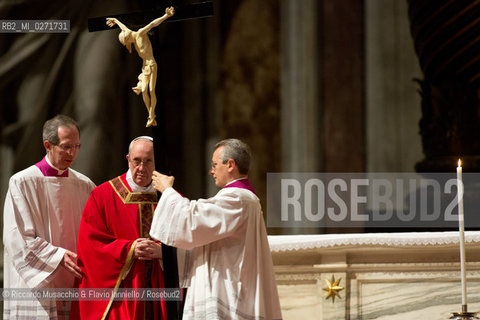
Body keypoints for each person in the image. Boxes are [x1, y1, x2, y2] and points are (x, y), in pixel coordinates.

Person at [150, 138, 283, 319]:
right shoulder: (243, 198)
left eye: (214, 164)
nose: (211, 171)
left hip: (228, 291)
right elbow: (207, 241)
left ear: (230, 165)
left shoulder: (238, 198)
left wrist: (167, 191)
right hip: (230, 285)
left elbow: (191, 220)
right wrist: (165, 253)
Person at [3, 114, 96, 319]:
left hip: (73, 281)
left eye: (76, 146)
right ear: (48, 145)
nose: (72, 153)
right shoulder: (22, 182)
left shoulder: (86, 186)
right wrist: (58, 256)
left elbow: (95, 232)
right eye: (65, 146)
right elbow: (17, 238)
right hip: (38, 285)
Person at [73, 136, 167, 320]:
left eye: (148, 161)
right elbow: (90, 247)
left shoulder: (170, 198)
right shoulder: (103, 196)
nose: (141, 168)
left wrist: (163, 251)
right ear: (128, 159)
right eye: (136, 161)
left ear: (156, 162)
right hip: (121, 296)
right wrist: (130, 249)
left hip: (160, 291)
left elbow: (189, 243)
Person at [106, 7, 175, 128]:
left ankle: (152, 115)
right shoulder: (130, 35)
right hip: (144, 66)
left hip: (152, 64)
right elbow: (124, 28)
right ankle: (150, 114)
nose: (129, 44)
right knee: (144, 91)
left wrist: (166, 16)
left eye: (128, 42)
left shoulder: (140, 33)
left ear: (129, 37)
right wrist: (115, 20)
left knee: (152, 90)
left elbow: (152, 24)